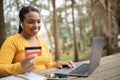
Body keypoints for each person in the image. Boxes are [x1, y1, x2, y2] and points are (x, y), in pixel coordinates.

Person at [0, 6, 73, 77]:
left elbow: (48, 65)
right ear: (21, 23)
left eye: (38, 21)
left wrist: (58, 64)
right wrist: (19, 68)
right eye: (31, 22)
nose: (36, 25)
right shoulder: (12, 41)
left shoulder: (42, 42)